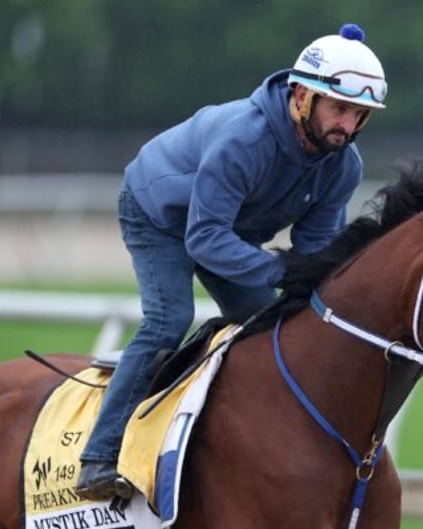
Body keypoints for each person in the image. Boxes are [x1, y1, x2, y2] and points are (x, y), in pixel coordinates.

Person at [75, 23, 388, 500]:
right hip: (161, 216)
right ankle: (100, 455)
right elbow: (203, 238)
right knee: (169, 319)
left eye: (359, 114)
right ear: (302, 97)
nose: (347, 126)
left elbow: (315, 245)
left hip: (225, 228)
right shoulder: (245, 139)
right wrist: (280, 271)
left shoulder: (344, 165)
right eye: (339, 108)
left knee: (270, 325)